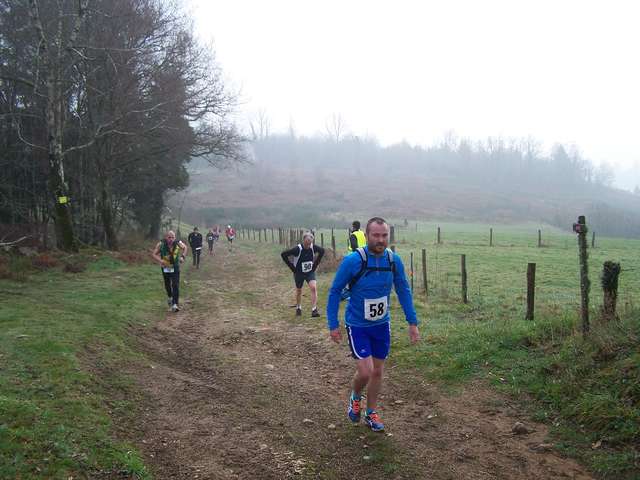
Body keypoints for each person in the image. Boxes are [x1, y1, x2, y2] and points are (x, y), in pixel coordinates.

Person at [327, 217, 420, 432]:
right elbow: (335, 291)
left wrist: (412, 322)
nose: (380, 240)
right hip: (357, 325)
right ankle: (355, 396)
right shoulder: (353, 260)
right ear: (367, 235)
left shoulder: (393, 261)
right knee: (366, 372)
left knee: (377, 371)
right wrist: (333, 324)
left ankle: (371, 413)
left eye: (384, 235)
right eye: (376, 235)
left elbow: (403, 290)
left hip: (381, 325)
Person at [281, 231, 325, 317]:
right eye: (307, 243)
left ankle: (314, 310)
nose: (308, 245)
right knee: (299, 290)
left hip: (309, 272)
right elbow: (283, 254)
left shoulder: (313, 247)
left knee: (313, 287)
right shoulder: (297, 249)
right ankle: (298, 307)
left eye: (310, 243)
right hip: (299, 273)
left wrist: (315, 265)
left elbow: (322, 251)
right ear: (303, 240)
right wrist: (292, 268)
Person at [152, 230, 188, 312]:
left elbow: (185, 248)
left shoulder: (178, 243)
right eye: (169, 237)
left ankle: (175, 304)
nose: (171, 239)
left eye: (173, 237)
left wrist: (182, 257)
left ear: (175, 238)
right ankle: (170, 296)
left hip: (175, 267)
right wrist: (161, 261)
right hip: (166, 267)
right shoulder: (161, 244)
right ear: (166, 237)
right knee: (167, 284)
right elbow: (154, 254)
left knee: (175, 284)